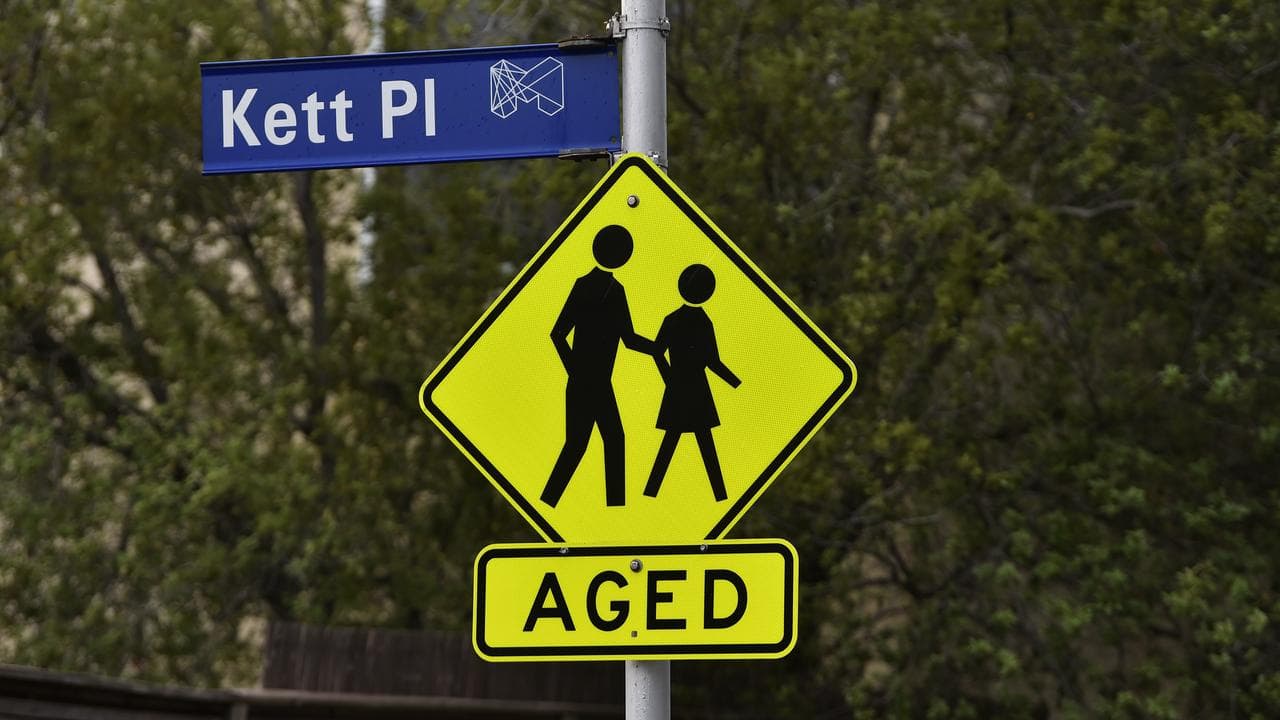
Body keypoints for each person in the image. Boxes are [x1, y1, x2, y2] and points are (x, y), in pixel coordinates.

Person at [540, 225, 657, 508]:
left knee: (594, 442)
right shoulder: (607, 290)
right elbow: (559, 333)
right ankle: (563, 503)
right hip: (590, 382)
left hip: (591, 382)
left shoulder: (599, 287)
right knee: (594, 443)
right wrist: (576, 371)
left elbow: (625, 339)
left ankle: (602, 507)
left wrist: (574, 370)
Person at [644, 263, 740, 502]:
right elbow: (713, 362)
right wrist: (736, 384)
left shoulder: (674, 319)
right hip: (696, 390)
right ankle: (718, 495)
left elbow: (657, 352)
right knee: (700, 443)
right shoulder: (703, 322)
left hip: (681, 389)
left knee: (677, 441)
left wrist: (670, 380)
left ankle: (652, 492)